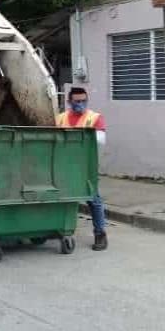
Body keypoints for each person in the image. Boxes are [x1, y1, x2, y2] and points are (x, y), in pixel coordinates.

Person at [56, 87, 108, 251]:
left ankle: (100, 234)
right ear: (69, 102)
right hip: (62, 165)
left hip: (85, 166)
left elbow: (100, 140)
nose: (81, 104)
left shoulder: (95, 118)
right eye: (77, 101)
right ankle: (60, 230)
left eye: (83, 101)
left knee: (94, 200)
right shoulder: (59, 119)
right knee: (60, 199)